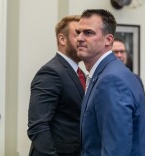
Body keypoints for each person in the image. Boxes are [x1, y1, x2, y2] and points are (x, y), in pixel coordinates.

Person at [76, 9, 145, 156]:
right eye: (78, 32)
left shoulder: (111, 79)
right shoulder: (108, 72)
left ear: (108, 40)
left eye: (88, 33)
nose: (79, 38)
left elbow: (116, 150)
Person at [27, 15, 85, 156]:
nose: (82, 39)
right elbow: (38, 126)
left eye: (85, 33)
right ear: (62, 39)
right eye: (77, 34)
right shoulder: (51, 72)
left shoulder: (80, 72)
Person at [112, 38, 145, 115]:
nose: (119, 55)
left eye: (122, 52)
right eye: (115, 52)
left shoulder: (136, 78)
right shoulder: (104, 78)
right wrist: (139, 106)